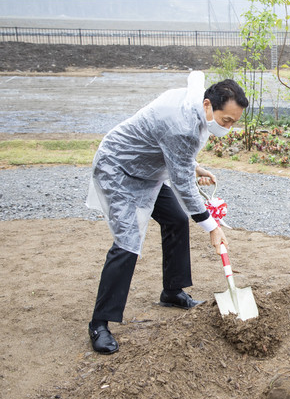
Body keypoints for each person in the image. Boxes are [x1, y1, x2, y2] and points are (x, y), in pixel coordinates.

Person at [86, 71, 248, 354]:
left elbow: (170, 149)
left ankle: (172, 291)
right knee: (127, 243)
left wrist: (193, 166)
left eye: (234, 122)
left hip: (148, 170)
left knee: (175, 218)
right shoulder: (183, 125)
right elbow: (184, 186)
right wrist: (212, 226)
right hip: (119, 168)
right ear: (208, 105)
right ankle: (99, 323)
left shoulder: (193, 103)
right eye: (227, 121)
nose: (229, 127)